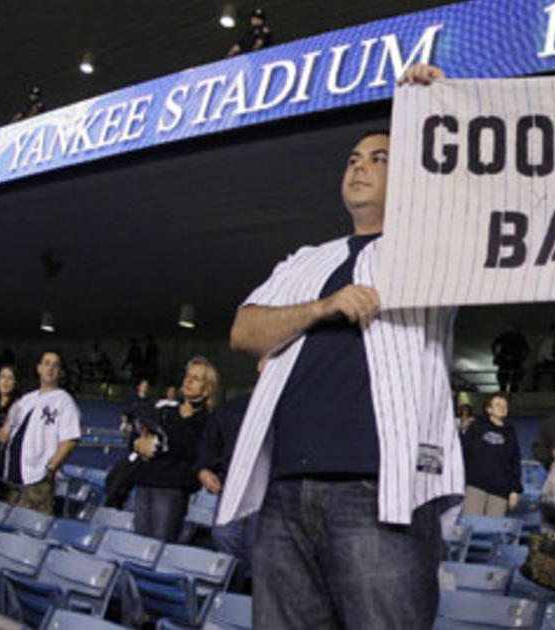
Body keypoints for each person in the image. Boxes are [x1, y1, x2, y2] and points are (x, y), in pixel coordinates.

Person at [220, 63, 462, 630]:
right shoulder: (307, 259)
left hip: (380, 489)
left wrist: (438, 111)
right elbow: (244, 330)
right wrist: (321, 308)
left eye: (380, 159)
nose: (360, 166)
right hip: (286, 488)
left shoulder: (433, 248)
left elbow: (468, 189)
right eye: (354, 159)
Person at [130, 357, 217, 542]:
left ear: (207, 388)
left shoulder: (208, 422)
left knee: (158, 547)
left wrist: (157, 446)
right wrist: (139, 443)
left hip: (172, 490)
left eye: (197, 378)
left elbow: (194, 453)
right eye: (187, 376)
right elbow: (138, 436)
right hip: (145, 483)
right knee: (138, 546)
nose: (189, 380)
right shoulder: (164, 412)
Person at [196, 357, 264, 586]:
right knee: (223, 536)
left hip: (269, 491)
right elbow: (209, 446)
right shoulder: (229, 410)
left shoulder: (294, 410)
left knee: (255, 544)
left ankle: (245, 593)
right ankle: (235, 591)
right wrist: (204, 470)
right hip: (232, 486)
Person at [0, 351, 80, 515]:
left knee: (30, 532)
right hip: (12, 477)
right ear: (39, 368)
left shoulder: (64, 401)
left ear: (60, 372)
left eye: (55, 365)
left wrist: (49, 469)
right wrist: (7, 425)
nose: (50, 368)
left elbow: (70, 440)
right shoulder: (26, 400)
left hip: (37, 479)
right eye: (47, 363)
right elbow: (3, 438)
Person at [461, 393, 522, 516]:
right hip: (475, 486)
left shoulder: (510, 432)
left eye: (505, 405)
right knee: (472, 527)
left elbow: (515, 462)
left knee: (495, 531)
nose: (502, 408)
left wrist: (514, 490)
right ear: (489, 409)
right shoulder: (476, 426)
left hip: (500, 491)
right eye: (498, 405)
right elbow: (463, 451)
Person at [492, 322, 530, 392]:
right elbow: (495, 344)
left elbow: (527, 349)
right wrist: (497, 354)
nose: (513, 330)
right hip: (506, 360)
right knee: (503, 378)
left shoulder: (520, 338)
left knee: (515, 379)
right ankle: (504, 390)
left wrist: (522, 358)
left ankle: (511, 390)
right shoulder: (505, 336)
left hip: (515, 361)